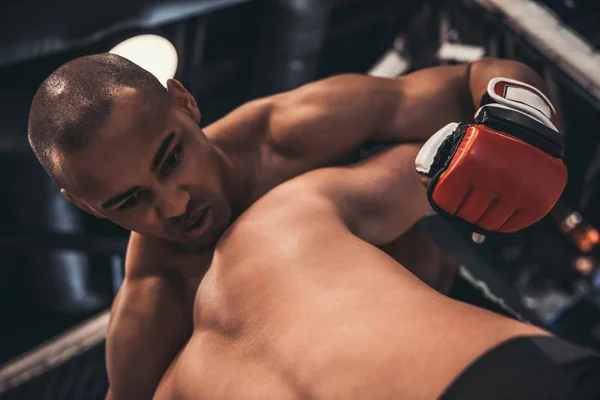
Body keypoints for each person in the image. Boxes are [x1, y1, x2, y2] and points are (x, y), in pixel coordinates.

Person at [26, 53, 566, 399]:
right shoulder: (154, 305)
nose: (172, 207)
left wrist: (525, 126)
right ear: (88, 206)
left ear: (185, 104)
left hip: (458, 315)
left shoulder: (294, 131)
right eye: (129, 201)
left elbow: (479, 79)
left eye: (170, 160)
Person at [153, 143, 598, 400]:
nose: (177, 206)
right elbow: (430, 167)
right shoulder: (275, 216)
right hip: (487, 377)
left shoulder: (171, 387)